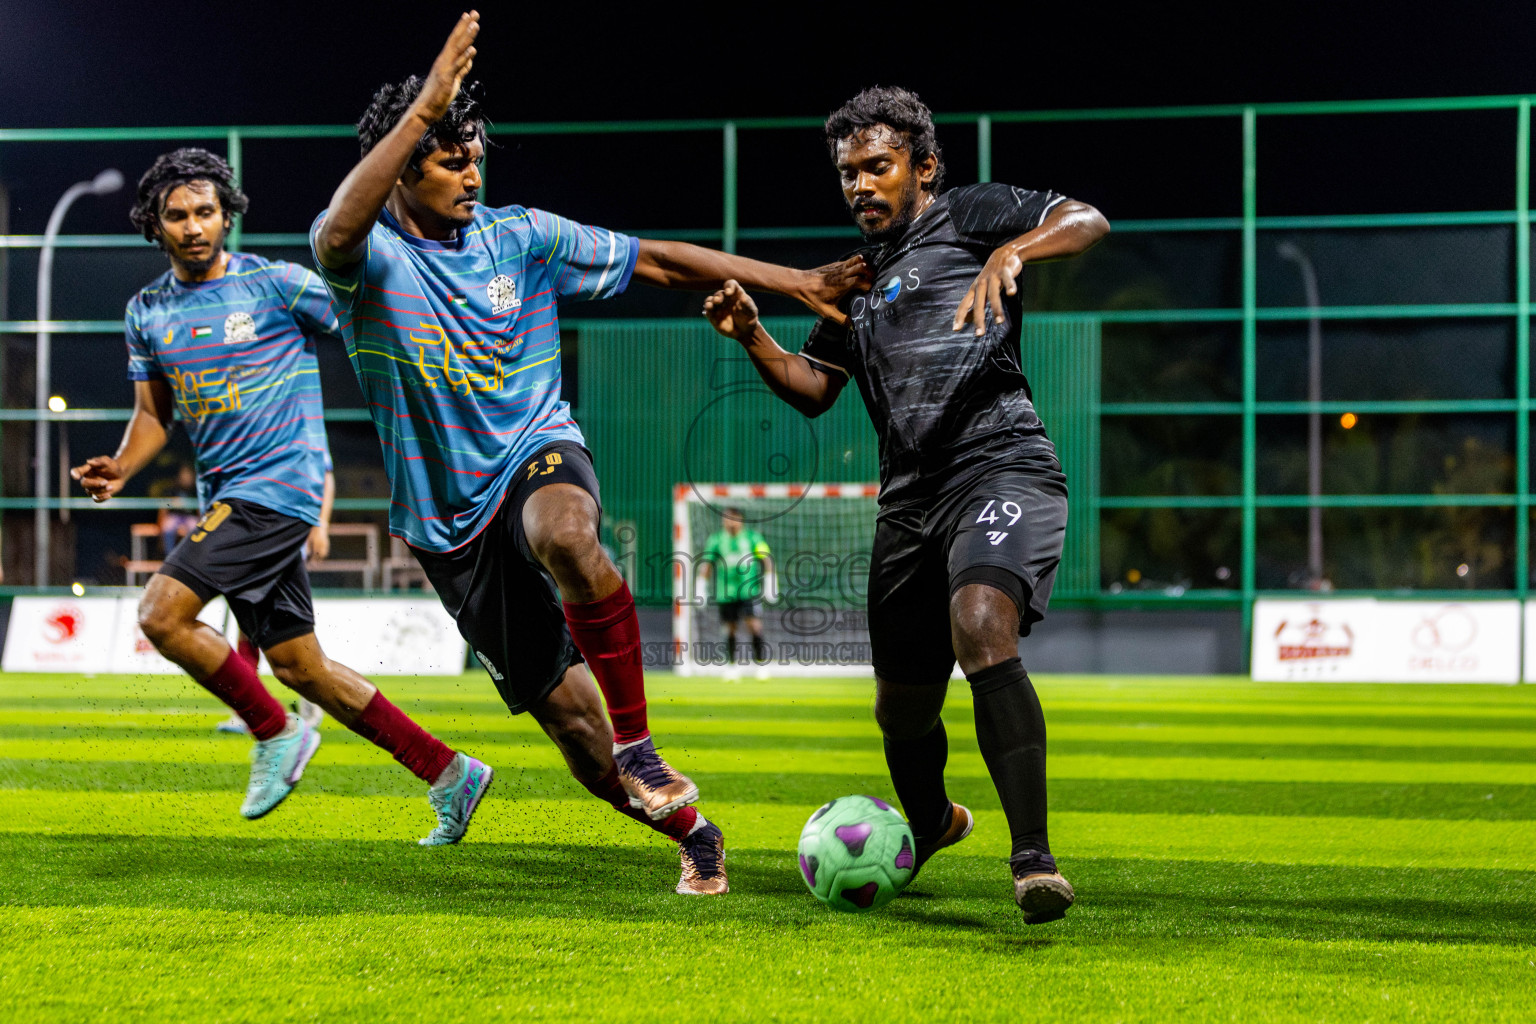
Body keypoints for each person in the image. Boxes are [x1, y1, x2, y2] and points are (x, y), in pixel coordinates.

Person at [309, 11, 866, 895]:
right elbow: (340, 224)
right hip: (446, 529)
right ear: (405, 164)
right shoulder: (363, 257)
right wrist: (423, 108)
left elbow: (661, 263)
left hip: (538, 452)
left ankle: (643, 747)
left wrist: (795, 279)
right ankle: (693, 831)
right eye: (452, 156)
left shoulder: (520, 235)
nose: (472, 169)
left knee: (568, 534)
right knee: (575, 734)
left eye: (476, 152)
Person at [702, 87, 1109, 924]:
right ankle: (932, 822)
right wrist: (753, 337)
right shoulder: (852, 282)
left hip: (1001, 466)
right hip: (908, 500)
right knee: (902, 710)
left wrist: (1015, 251)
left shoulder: (969, 216)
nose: (859, 185)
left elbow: (1089, 218)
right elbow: (816, 392)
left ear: (922, 168)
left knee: (980, 620)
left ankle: (1033, 860)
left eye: (877, 167)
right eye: (848, 172)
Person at [73, 148, 492, 844]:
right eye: (177, 216)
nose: (194, 226)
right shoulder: (146, 310)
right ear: (155, 225)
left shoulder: (276, 285)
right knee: (302, 667)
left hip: (280, 486)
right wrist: (119, 469)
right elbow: (153, 415)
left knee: (161, 614)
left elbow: (366, 324)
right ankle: (449, 771)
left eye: (206, 211)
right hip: (227, 494)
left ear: (226, 215)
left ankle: (273, 733)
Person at [696, 507, 776, 679]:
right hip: (726, 592)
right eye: (727, 519)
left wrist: (770, 582)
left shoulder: (753, 538)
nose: (730, 522)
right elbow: (707, 564)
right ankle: (732, 666)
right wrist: (700, 586)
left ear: (740, 520)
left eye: (733, 518)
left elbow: (766, 558)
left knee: (754, 625)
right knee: (730, 629)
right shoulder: (716, 540)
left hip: (749, 591)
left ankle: (761, 664)